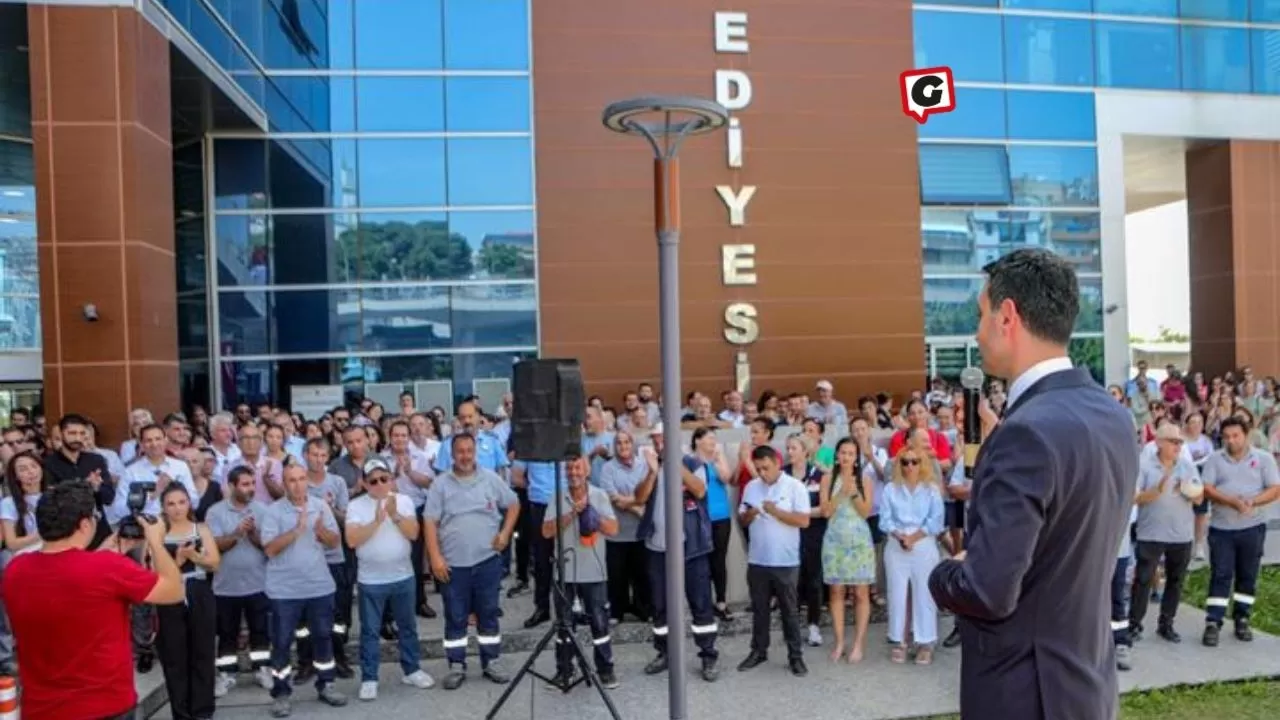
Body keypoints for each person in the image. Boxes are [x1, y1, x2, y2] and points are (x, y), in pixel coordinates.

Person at [927, 249, 1139, 720]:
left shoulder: (1025, 433)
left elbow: (987, 590)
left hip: (1026, 693)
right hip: (1086, 684)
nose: (977, 333)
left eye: (981, 315)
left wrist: (943, 573)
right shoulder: (1113, 415)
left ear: (1008, 316)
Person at [4, 481, 185, 720]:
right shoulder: (107, 568)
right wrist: (156, 541)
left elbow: (64, 583)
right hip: (103, 705)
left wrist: (101, 556)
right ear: (85, 523)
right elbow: (173, 591)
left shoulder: (15, 569)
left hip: (42, 708)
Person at [424, 433, 520, 690]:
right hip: (453, 565)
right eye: (460, 451)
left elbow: (513, 504)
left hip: (487, 561)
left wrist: (504, 533)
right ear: (452, 454)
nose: (465, 456)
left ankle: (492, 661)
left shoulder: (490, 478)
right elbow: (430, 522)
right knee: (455, 616)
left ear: (475, 452)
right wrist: (435, 557)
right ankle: (456, 665)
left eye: (469, 450)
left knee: (488, 612)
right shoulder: (440, 484)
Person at [261, 464, 349, 717]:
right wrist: (296, 531)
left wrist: (323, 533)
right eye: (291, 480)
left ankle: (326, 684)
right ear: (284, 483)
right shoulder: (273, 511)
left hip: (319, 586)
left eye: (301, 479)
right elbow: (269, 549)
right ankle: (281, 693)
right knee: (281, 642)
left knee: (323, 636)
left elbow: (335, 541)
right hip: (284, 591)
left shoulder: (320, 506)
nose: (297, 484)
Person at [344, 458, 435, 701]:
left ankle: (412, 669)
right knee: (370, 632)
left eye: (384, 478)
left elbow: (414, 533)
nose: (379, 484)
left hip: (403, 576)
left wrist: (394, 515)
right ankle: (370, 677)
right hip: (370, 581)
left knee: (407, 627)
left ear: (391, 479)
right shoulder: (356, 506)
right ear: (364, 483)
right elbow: (352, 540)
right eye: (373, 481)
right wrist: (376, 520)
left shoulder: (403, 501)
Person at [636, 432, 721, 682]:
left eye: (664, 439)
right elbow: (639, 498)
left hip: (691, 549)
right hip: (657, 549)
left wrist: (676, 465)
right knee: (660, 607)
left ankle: (708, 655)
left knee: (701, 604)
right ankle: (664, 653)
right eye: (656, 441)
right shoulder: (651, 467)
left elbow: (700, 490)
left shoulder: (693, 463)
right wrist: (653, 472)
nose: (659, 444)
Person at [541, 455, 620, 688]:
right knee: (564, 626)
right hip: (564, 573)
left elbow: (613, 529)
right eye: (569, 468)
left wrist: (592, 513)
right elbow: (546, 532)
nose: (573, 472)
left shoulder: (599, 495)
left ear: (586, 472)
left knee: (599, 623)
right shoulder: (556, 496)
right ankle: (565, 670)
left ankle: (605, 670)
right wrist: (572, 513)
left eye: (577, 468)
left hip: (594, 573)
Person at [1200, 417, 1280, 646]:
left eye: (1235, 436)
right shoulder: (1215, 459)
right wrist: (1230, 501)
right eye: (1226, 437)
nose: (1231, 441)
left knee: (1248, 574)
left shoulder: (1262, 459)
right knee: (1221, 574)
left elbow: (1275, 489)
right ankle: (1213, 621)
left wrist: (1252, 502)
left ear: (1246, 435)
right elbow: (1207, 488)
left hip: (1252, 527)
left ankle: (1242, 617)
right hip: (1222, 528)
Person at [736, 446, 811, 676]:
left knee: (789, 610)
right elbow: (743, 520)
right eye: (758, 469)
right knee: (760, 610)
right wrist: (750, 514)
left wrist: (776, 511)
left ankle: (795, 656)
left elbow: (804, 521)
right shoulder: (751, 487)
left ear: (777, 462)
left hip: (785, 562)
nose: (762, 473)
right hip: (758, 560)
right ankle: (759, 651)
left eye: (765, 468)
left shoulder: (795, 487)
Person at [1129, 423, 1201, 646]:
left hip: (1181, 535)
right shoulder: (1144, 465)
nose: (1177, 446)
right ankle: (1134, 624)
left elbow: (1200, 499)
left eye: (1180, 442)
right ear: (1159, 443)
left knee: (1176, 581)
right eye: (1173, 441)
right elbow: (1135, 497)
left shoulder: (1187, 466)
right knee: (1143, 580)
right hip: (1151, 533)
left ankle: (1166, 623)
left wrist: (1190, 492)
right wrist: (1156, 491)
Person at [154, 485, 221, 720]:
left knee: (202, 652)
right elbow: (149, 570)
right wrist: (177, 561)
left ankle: (203, 711)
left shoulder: (200, 529)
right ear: (163, 507)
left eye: (181, 502)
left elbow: (214, 562)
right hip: (169, 594)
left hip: (198, 590)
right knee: (174, 657)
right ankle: (181, 713)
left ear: (189, 504)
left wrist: (195, 557)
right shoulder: (158, 533)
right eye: (171, 504)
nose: (177, 508)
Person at [206, 466, 273, 696]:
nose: (250, 488)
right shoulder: (215, 512)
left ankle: (262, 668)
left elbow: (269, 547)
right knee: (227, 633)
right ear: (232, 486)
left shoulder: (262, 510)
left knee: (261, 631)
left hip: (258, 583)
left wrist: (253, 534)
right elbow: (214, 546)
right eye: (245, 484)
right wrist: (237, 533)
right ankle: (226, 674)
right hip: (226, 586)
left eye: (252, 483)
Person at [881, 450, 944, 665]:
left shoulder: (931, 490)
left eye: (914, 461)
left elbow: (936, 521)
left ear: (922, 463)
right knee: (897, 593)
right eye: (905, 462)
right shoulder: (891, 489)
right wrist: (900, 536)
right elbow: (885, 520)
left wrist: (914, 537)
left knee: (924, 593)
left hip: (923, 543)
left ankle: (925, 642)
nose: (909, 466)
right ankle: (899, 640)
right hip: (896, 544)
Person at [818, 438, 876, 663]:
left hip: (859, 541)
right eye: (843, 452)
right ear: (837, 455)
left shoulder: (865, 479)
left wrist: (853, 492)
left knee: (861, 593)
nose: (846, 457)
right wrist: (841, 492)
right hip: (834, 541)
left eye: (851, 453)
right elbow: (825, 511)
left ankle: (858, 643)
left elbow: (864, 512)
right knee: (836, 592)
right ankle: (840, 641)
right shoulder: (826, 479)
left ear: (856, 458)